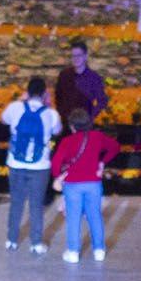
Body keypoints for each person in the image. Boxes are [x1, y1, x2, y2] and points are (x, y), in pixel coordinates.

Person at [51, 109, 121, 263]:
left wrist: (58, 176)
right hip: (94, 184)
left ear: (71, 126)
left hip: (73, 185)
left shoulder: (67, 141)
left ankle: (73, 252)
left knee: (73, 218)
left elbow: (56, 162)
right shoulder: (97, 137)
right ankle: (99, 251)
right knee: (94, 216)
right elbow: (115, 147)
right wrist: (102, 163)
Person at [2, 76, 62, 254]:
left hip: (15, 163)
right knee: (36, 204)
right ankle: (36, 243)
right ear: (45, 94)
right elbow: (57, 131)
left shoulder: (14, 107)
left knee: (16, 202)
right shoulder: (51, 114)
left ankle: (11, 240)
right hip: (40, 166)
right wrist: (49, 105)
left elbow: (4, 119)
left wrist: (20, 102)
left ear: (26, 92)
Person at [54, 40, 109, 125]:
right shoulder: (64, 75)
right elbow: (58, 96)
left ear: (86, 56)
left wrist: (91, 116)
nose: (75, 58)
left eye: (78, 55)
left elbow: (102, 101)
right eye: (73, 56)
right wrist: (62, 113)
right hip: (66, 123)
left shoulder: (94, 78)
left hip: (85, 125)